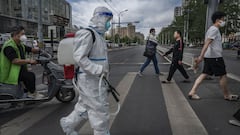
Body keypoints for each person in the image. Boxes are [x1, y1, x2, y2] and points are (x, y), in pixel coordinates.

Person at [60, 7, 113, 135]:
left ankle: (67, 124)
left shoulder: (98, 36)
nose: (109, 23)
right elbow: (80, 58)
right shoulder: (88, 33)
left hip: (96, 79)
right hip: (90, 80)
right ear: (100, 18)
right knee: (99, 110)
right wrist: (99, 69)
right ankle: (102, 132)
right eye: (108, 20)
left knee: (84, 106)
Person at [188, 11, 238, 100]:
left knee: (204, 74)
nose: (224, 21)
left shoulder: (211, 29)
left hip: (210, 57)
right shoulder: (214, 29)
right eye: (223, 19)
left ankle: (192, 92)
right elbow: (207, 44)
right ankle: (227, 95)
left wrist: (202, 57)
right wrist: (201, 57)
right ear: (218, 20)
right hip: (215, 57)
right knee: (223, 75)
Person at [0, 26, 44, 99]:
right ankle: (32, 93)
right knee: (30, 76)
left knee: (27, 73)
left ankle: (26, 92)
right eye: (22, 34)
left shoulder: (19, 44)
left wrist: (40, 51)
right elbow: (15, 61)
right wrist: (29, 61)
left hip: (16, 70)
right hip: (9, 73)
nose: (24, 36)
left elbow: (30, 49)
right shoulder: (9, 46)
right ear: (16, 35)